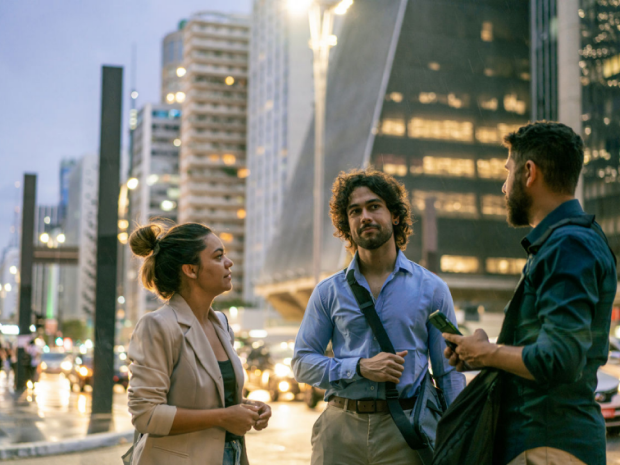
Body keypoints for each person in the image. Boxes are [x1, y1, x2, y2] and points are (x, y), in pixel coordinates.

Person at [443, 121, 617, 465]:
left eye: (507, 172)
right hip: (550, 443)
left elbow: (560, 358)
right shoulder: (573, 240)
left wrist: (489, 354)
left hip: (548, 447)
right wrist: (482, 352)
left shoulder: (568, 245)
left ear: (529, 172)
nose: (503, 186)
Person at [292, 169, 466, 465]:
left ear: (394, 215)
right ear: (347, 224)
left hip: (406, 430)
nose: (365, 217)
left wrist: (461, 435)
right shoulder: (327, 292)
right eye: (355, 211)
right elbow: (301, 363)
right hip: (340, 429)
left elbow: (448, 372)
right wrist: (358, 367)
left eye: (374, 207)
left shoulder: (432, 289)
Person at [126, 221, 271, 465]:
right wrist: (223, 417)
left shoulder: (221, 324)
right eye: (218, 256)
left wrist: (247, 407)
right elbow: (146, 415)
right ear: (191, 270)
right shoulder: (158, 325)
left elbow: (210, 400)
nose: (229, 262)